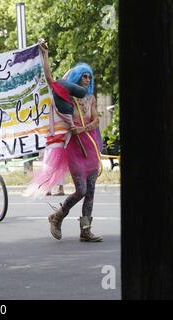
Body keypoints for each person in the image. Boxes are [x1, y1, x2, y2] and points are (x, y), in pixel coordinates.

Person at [38, 41, 103, 242]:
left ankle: (85, 230)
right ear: (76, 77)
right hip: (73, 147)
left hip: (90, 146)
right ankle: (57, 216)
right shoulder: (67, 95)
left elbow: (96, 120)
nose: (87, 79)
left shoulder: (90, 98)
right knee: (81, 189)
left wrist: (83, 128)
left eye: (89, 76)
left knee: (90, 190)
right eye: (84, 75)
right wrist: (44, 54)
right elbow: (50, 79)